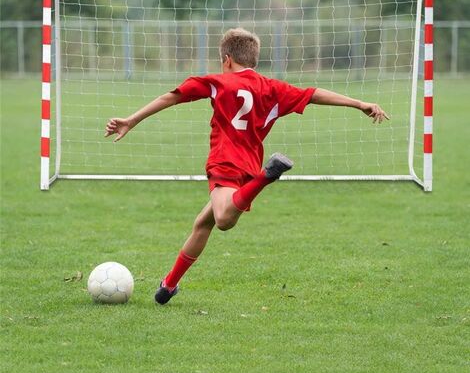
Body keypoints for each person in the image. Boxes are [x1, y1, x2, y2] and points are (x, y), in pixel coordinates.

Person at [105, 28, 389, 305]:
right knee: (202, 223)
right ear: (254, 58)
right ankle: (168, 285)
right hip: (247, 166)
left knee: (223, 220)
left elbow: (172, 96)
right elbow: (313, 93)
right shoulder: (272, 87)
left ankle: (268, 176)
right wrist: (358, 103)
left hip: (224, 161)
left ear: (226, 59)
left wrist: (132, 119)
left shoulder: (217, 81)